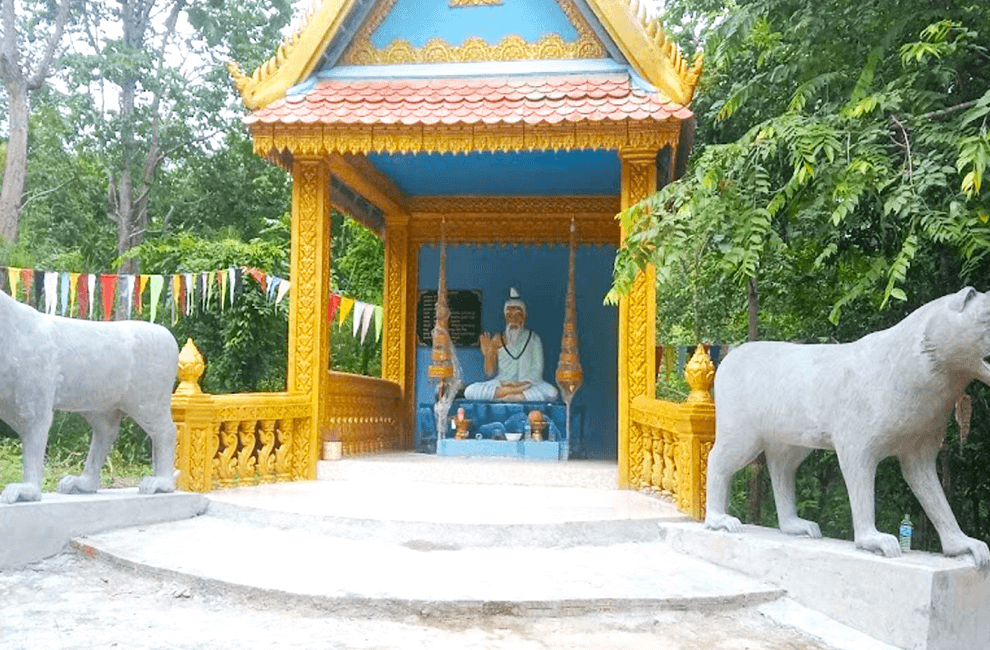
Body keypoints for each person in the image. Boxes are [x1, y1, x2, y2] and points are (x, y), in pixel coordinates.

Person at [463, 289, 559, 402]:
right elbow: (489, 373)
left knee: (552, 392)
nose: (513, 320)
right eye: (509, 315)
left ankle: (511, 396)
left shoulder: (533, 339)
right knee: (469, 391)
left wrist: (522, 385)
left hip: (528, 385)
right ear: (505, 317)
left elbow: (537, 371)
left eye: (518, 315)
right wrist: (489, 354)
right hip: (502, 384)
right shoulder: (497, 339)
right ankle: (512, 395)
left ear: (524, 317)